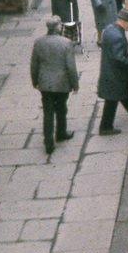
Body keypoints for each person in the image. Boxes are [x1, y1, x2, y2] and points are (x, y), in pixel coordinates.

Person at [30, 15, 79, 156]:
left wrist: (35, 81)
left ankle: (48, 142)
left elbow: (34, 64)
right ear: (59, 27)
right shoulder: (66, 43)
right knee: (62, 109)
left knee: (48, 112)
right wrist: (75, 85)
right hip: (61, 83)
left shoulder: (39, 42)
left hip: (45, 84)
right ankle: (61, 133)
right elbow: (71, 67)